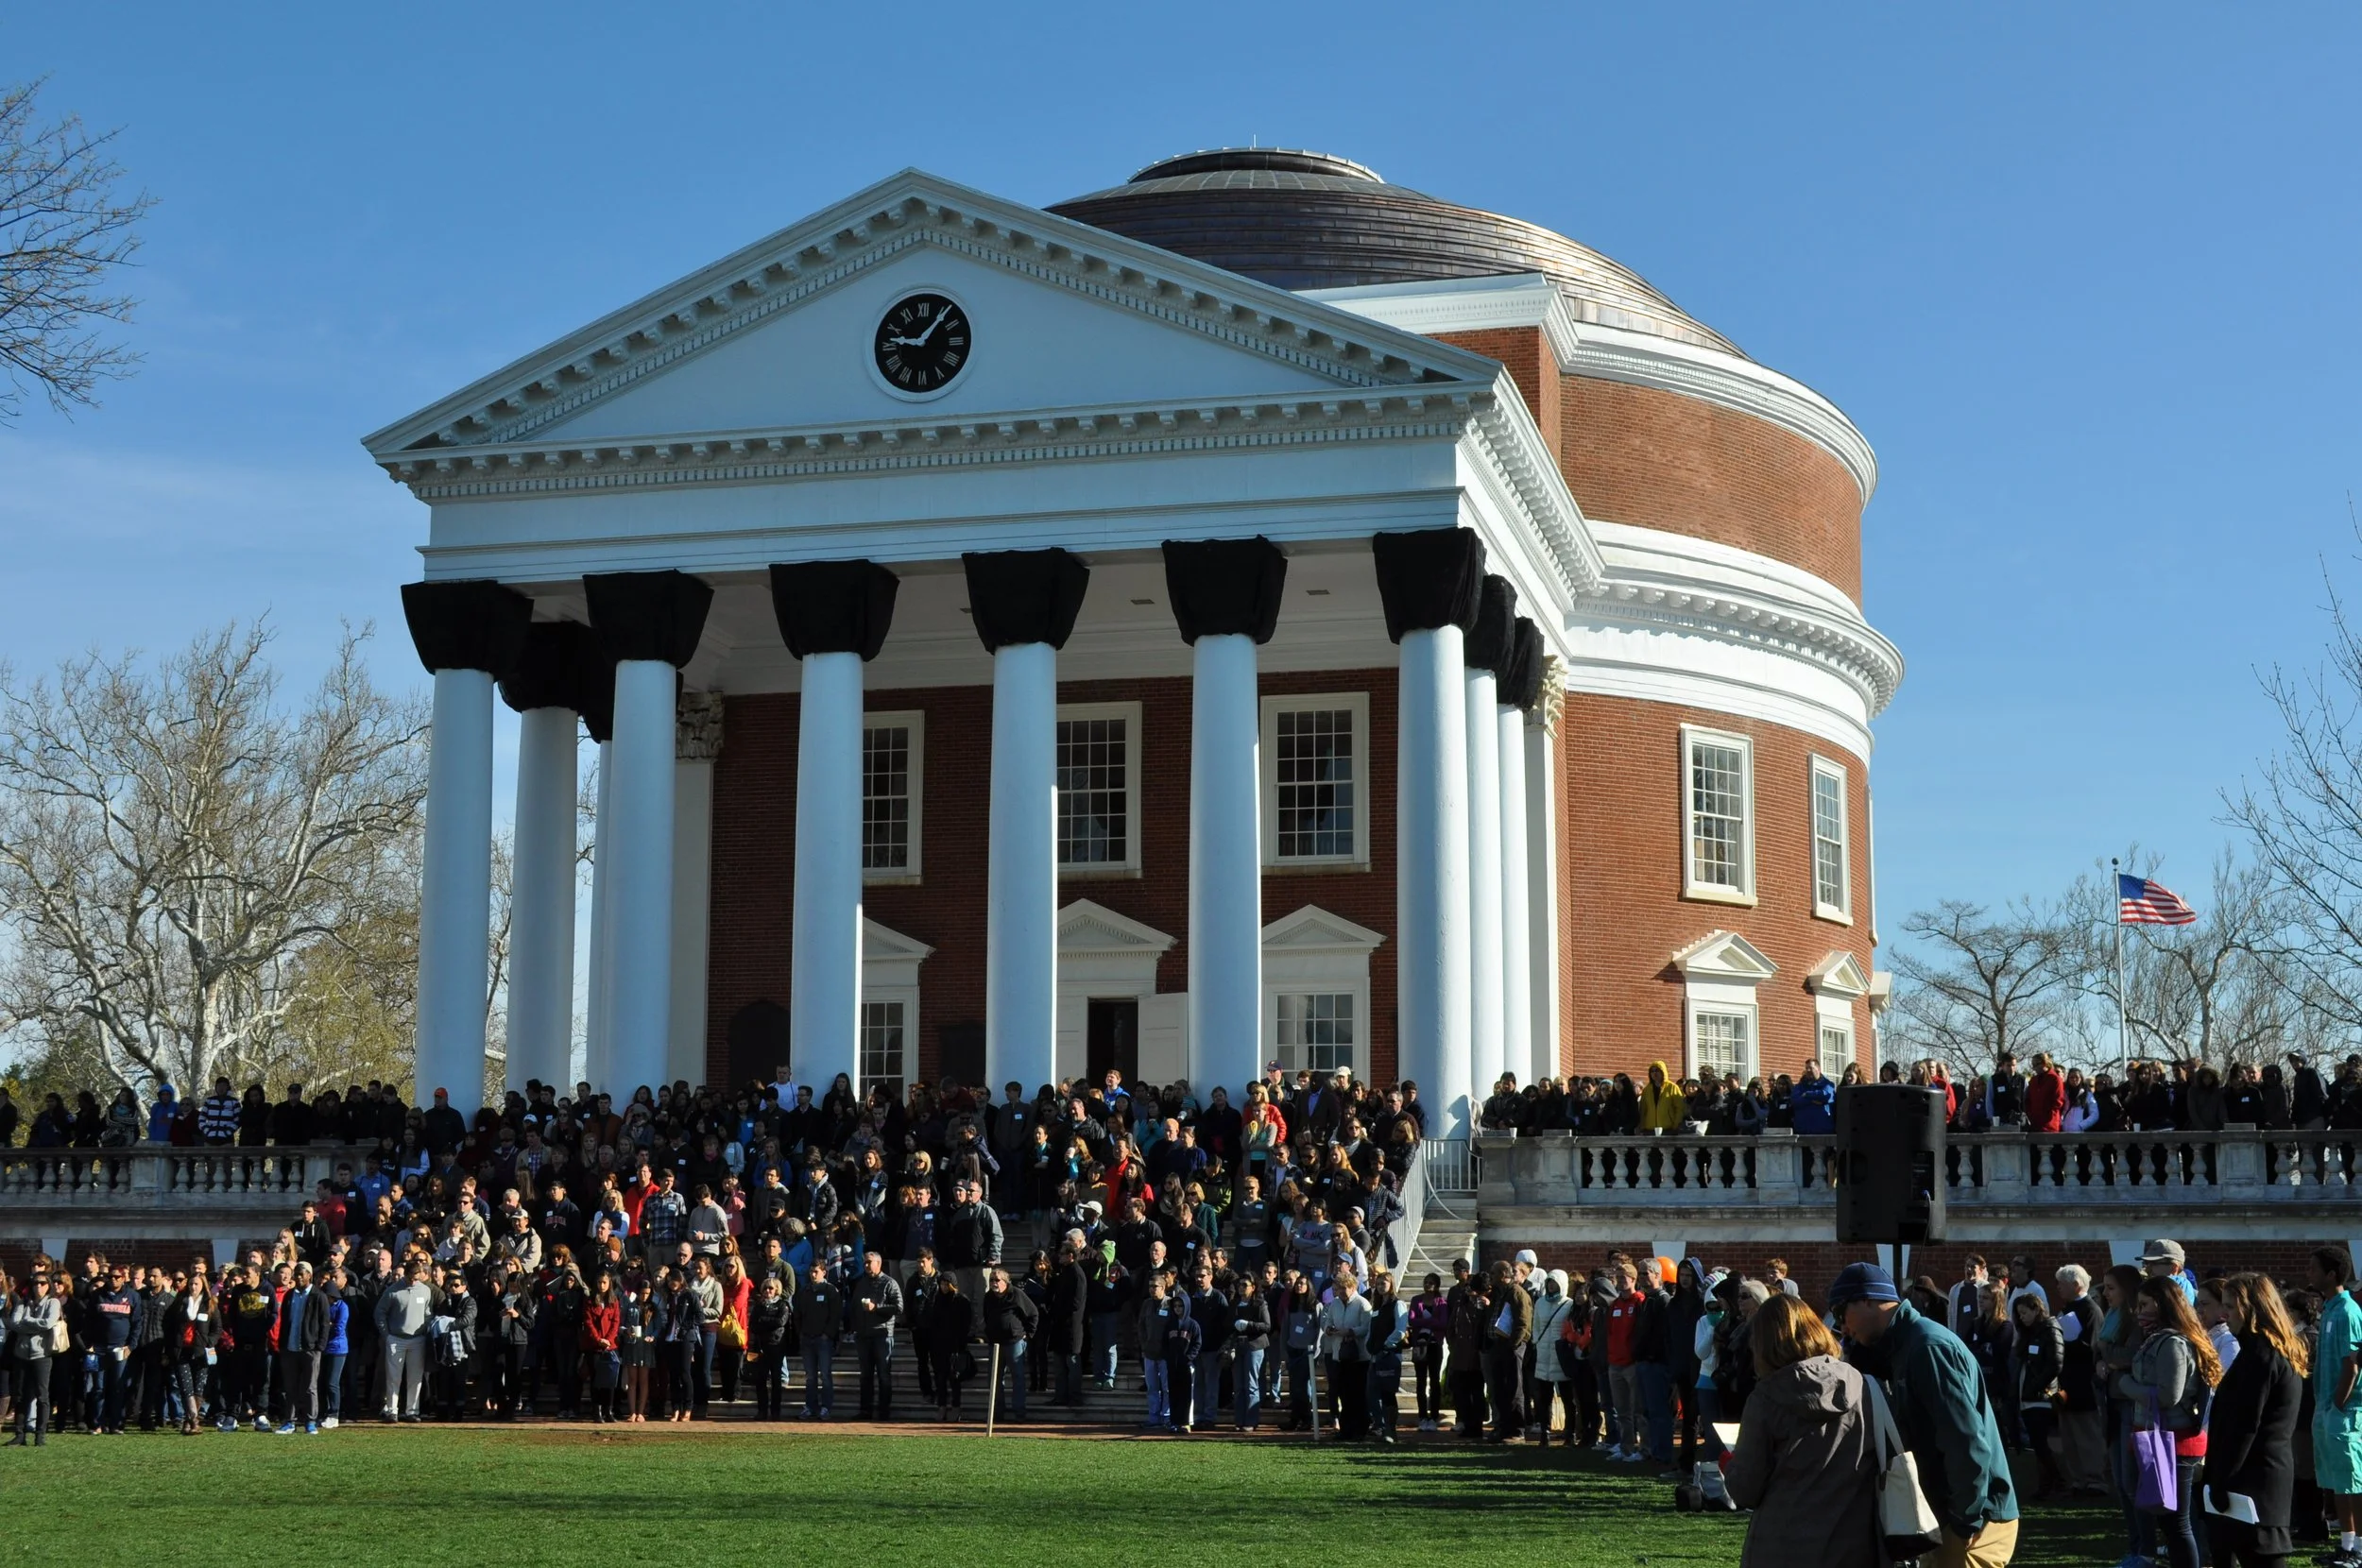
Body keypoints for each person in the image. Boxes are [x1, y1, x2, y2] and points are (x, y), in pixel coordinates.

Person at [1828, 1261, 2019, 1567]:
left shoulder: (1927, 1348)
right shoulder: (1908, 1345)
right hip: (1954, 1514)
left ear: (1869, 1300)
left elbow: (1965, 1441)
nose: (1843, 1328)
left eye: (1841, 1313)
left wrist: (1964, 1520)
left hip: (1974, 1518)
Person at [1725, 1293, 1879, 1568]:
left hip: (1784, 1543)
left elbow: (1745, 1489)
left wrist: (1730, 1466)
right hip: (1853, 1542)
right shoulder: (1864, 1387)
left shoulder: (1765, 1399)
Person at [2117, 1274, 2223, 1568]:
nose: (2140, 1312)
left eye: (2145, 1305)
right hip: (2164, 1438)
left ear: (2164, 1304)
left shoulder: (2174, 1342)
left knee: (2178, 1523)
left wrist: (2126, 1385)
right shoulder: (2160, 1338)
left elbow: (2169, 1395)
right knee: (2169, 1521)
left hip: (2175, 1442)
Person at [2204, 1272, 2305, 1568]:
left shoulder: (2261, 1355)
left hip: (2254, 1479)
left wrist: (2221, 1480)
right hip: (2258, 1474)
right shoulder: (2260, 1351)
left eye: (2232, 1307)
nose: (2224, 1314)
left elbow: (2245, 1425)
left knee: (2261, 1558)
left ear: (2253, 1309)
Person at [2308, 1246, 2362, 1567]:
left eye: (2314, 1268)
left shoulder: (2348, 1312)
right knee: (2338, 1482)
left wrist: (2339, 1405)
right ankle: (2347, 1546)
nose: (2308, 1273)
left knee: (2354, 1480)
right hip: (2326, 1408)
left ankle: (2360, 1550)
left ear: (2331, 1274)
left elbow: (2352, 1363)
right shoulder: (2329, 1308)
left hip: (2345, 1412)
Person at [2009, 1292, 2064, 1499]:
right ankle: (2047, 1485)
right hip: (2029, 1396)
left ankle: (2058, 1481)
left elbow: (2055, 1364)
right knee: (2037, 1444)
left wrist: (2034, 1388)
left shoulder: (2049, 1330)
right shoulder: (2030, 1333)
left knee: (2041, 1444)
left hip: (2042, 1397)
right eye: (2019, 1314)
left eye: (2024, 1312)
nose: (2021, 1317)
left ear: (2035, 1309)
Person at [6, 1273, 62, 1446]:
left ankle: (40, 1435)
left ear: (48, 1285)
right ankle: (20, 1434)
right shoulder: (23, 1302)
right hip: (22, 1354)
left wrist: (28, 1322)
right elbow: (14, 1323)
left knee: (42, 1396)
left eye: (42, 1283)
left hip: (42, 1355)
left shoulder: (53, 1302)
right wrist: (33, 1325)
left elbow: (48, 1323)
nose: (38, 1286)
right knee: (20, 1395)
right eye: (35, 1283)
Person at [793, 1260, 843, 1420]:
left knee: (826, 1375)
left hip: (823, 1340)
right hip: (807, 1338)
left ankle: (826, 1407)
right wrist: (800, 1333)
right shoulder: (804, 1291)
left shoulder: (830, 1291)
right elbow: (797, 1315)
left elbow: (835, 1316)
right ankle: (810, 1406)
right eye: (811, 1272)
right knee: (810, 1376)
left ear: (824, 1272)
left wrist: (827, 1334)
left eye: (816, 1272)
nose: (813, 1275)